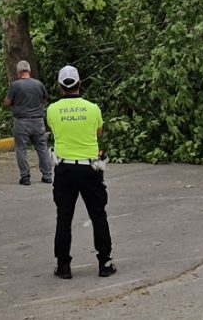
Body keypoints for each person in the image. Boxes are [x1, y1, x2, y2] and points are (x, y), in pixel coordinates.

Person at [45, 65, 115, 279]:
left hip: (65, 169)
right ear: (79, 84)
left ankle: (64, 266)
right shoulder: (93, 108)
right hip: (90, 168)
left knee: (64, 218)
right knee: (98, 215)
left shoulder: (52, 110)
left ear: (60, 87)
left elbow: (55, 132)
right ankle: (105, 263)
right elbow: (99, 133)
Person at [3, 59, 53, 186]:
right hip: (38, 121)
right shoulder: (39, 84)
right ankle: (47, 175)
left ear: (19, 72)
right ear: (29, 71)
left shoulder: (15, 86)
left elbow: (7, 103)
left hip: (22, 122)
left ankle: (25, 177)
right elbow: (45, 99)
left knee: (21, 149)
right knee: (42, 148)